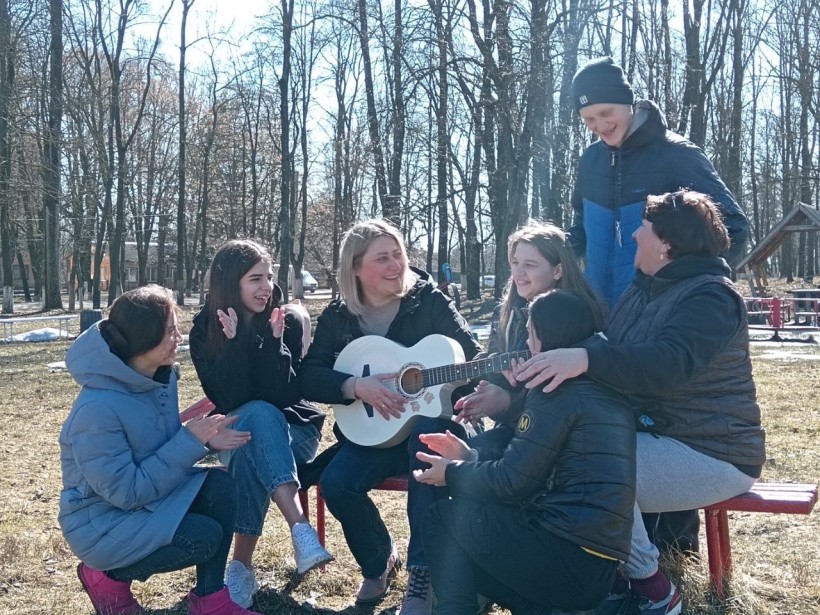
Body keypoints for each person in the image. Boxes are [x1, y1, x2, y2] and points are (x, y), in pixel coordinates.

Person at [515, 191, 766, 615]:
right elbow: (611, 347)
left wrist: (585, 359)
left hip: (714, 452)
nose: (633, 234)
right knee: (559, 454)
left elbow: (667, 364)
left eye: (643, 227)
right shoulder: (642, 289)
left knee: (594, 468)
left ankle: (653, 589)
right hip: (658, 436)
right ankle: (604, 581)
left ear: (666, 243)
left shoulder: (711, 297)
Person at [400, 220, 606, 615]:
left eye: (530, 264)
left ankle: (483, 571)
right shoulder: (510, 311)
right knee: (434, 449)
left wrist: (507, 402)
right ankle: (426, 570)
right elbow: (497, 369)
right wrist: (486, 395)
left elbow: (566, 404)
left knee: (479, 471)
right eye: (514, 263)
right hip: (515, 429)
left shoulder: (575, 315)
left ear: (558, 269)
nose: (519, 273)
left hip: (556, 441)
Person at [413, 289, 636, 615]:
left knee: (440, 519)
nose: (527, 343)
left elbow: (511, 483)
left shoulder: (554, 390)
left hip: (563, 554)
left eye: (531, 334)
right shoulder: (605, 388)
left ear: (548, 336)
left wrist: (451, 472)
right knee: (477, 534)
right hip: (598, 570)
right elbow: (533, 468)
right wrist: (470, 458)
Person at [298, 219, 482, 607]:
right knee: (337, 483)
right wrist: (354, 386)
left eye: (398, 254)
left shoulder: (428, 300)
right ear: (355, 267)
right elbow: (309, 375)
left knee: (426, 444)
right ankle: (379, 562)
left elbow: (473, 357)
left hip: (433, 429)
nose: (395, 265)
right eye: (382, 258)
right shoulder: (338, 316)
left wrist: (467, 388)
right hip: (374, 434)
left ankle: (423, 573)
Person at [59, 285, 260, 615]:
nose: (179, 338)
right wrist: (190, 441)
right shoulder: (95, 411)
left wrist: (205, 440)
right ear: (143, 336)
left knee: (222, 486)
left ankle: (211, 602)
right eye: (170, 331)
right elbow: (126, 492)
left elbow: (156, 450)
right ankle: (106, 578)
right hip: (102, 524)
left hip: (146, 503)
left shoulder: (159, 378)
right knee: (203, 537)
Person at [189, 240, 332, 609]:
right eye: (255, 279)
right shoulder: (204, 330)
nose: (266, 287)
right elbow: (228, 398)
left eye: (269, 277)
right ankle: (300, 530)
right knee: (251, 425)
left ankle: (241, 567)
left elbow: (284, 395)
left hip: (295, 432)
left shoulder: (285, 321)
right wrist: (235, 344)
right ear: (230, 283)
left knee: (259, 419)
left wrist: (274, 343)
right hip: (240, 432)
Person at [569, 56, 749, 308]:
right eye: (588, 119)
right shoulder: (590, 160)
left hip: (658, 314)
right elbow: (581, 231)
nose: (599, 125)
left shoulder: (678, 155)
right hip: (596, 314)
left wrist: (683, 287)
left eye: (605, 112)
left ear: (627, 102)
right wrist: (544, 250)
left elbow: (734, 228)